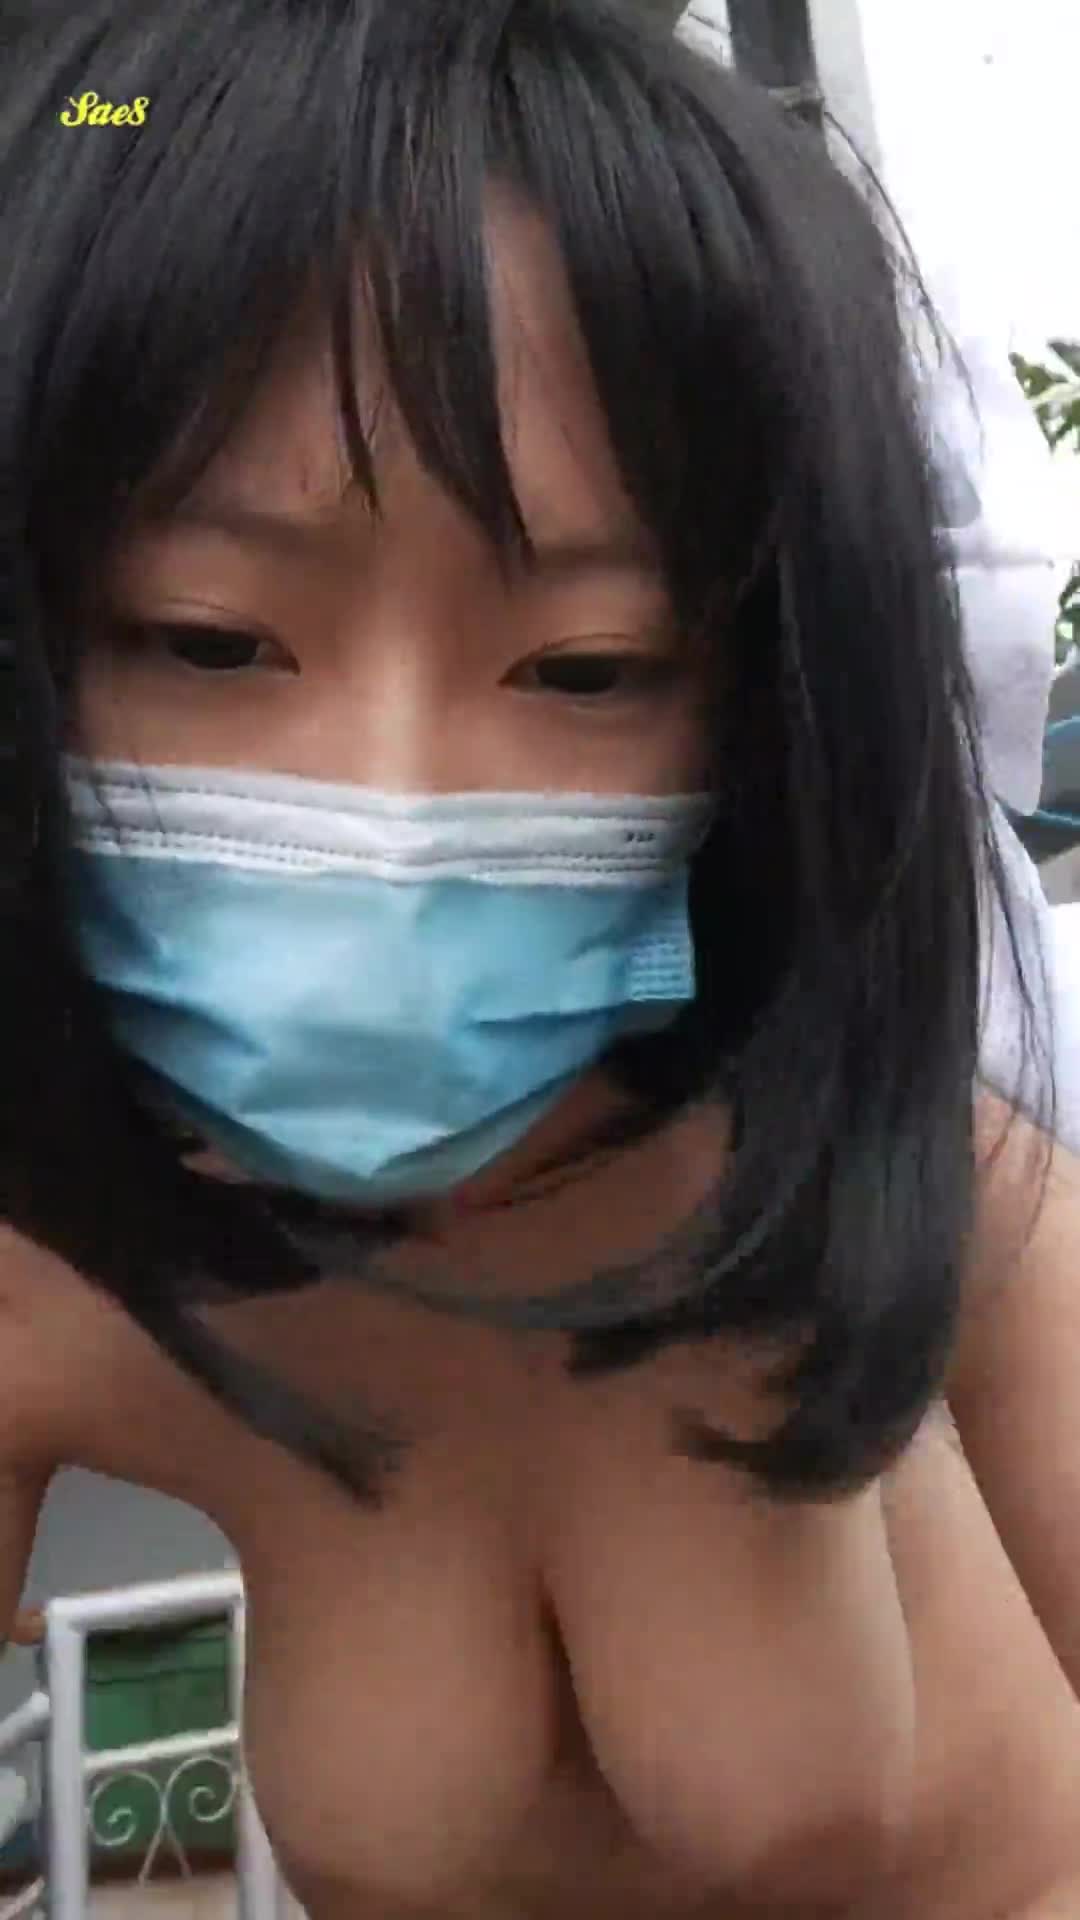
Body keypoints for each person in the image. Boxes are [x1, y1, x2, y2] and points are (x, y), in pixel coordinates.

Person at [3, 1, 1080, 1915]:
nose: (392, 809)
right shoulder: (59, 1288)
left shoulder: (912, 1176)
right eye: (208, 638)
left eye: (585, 669)